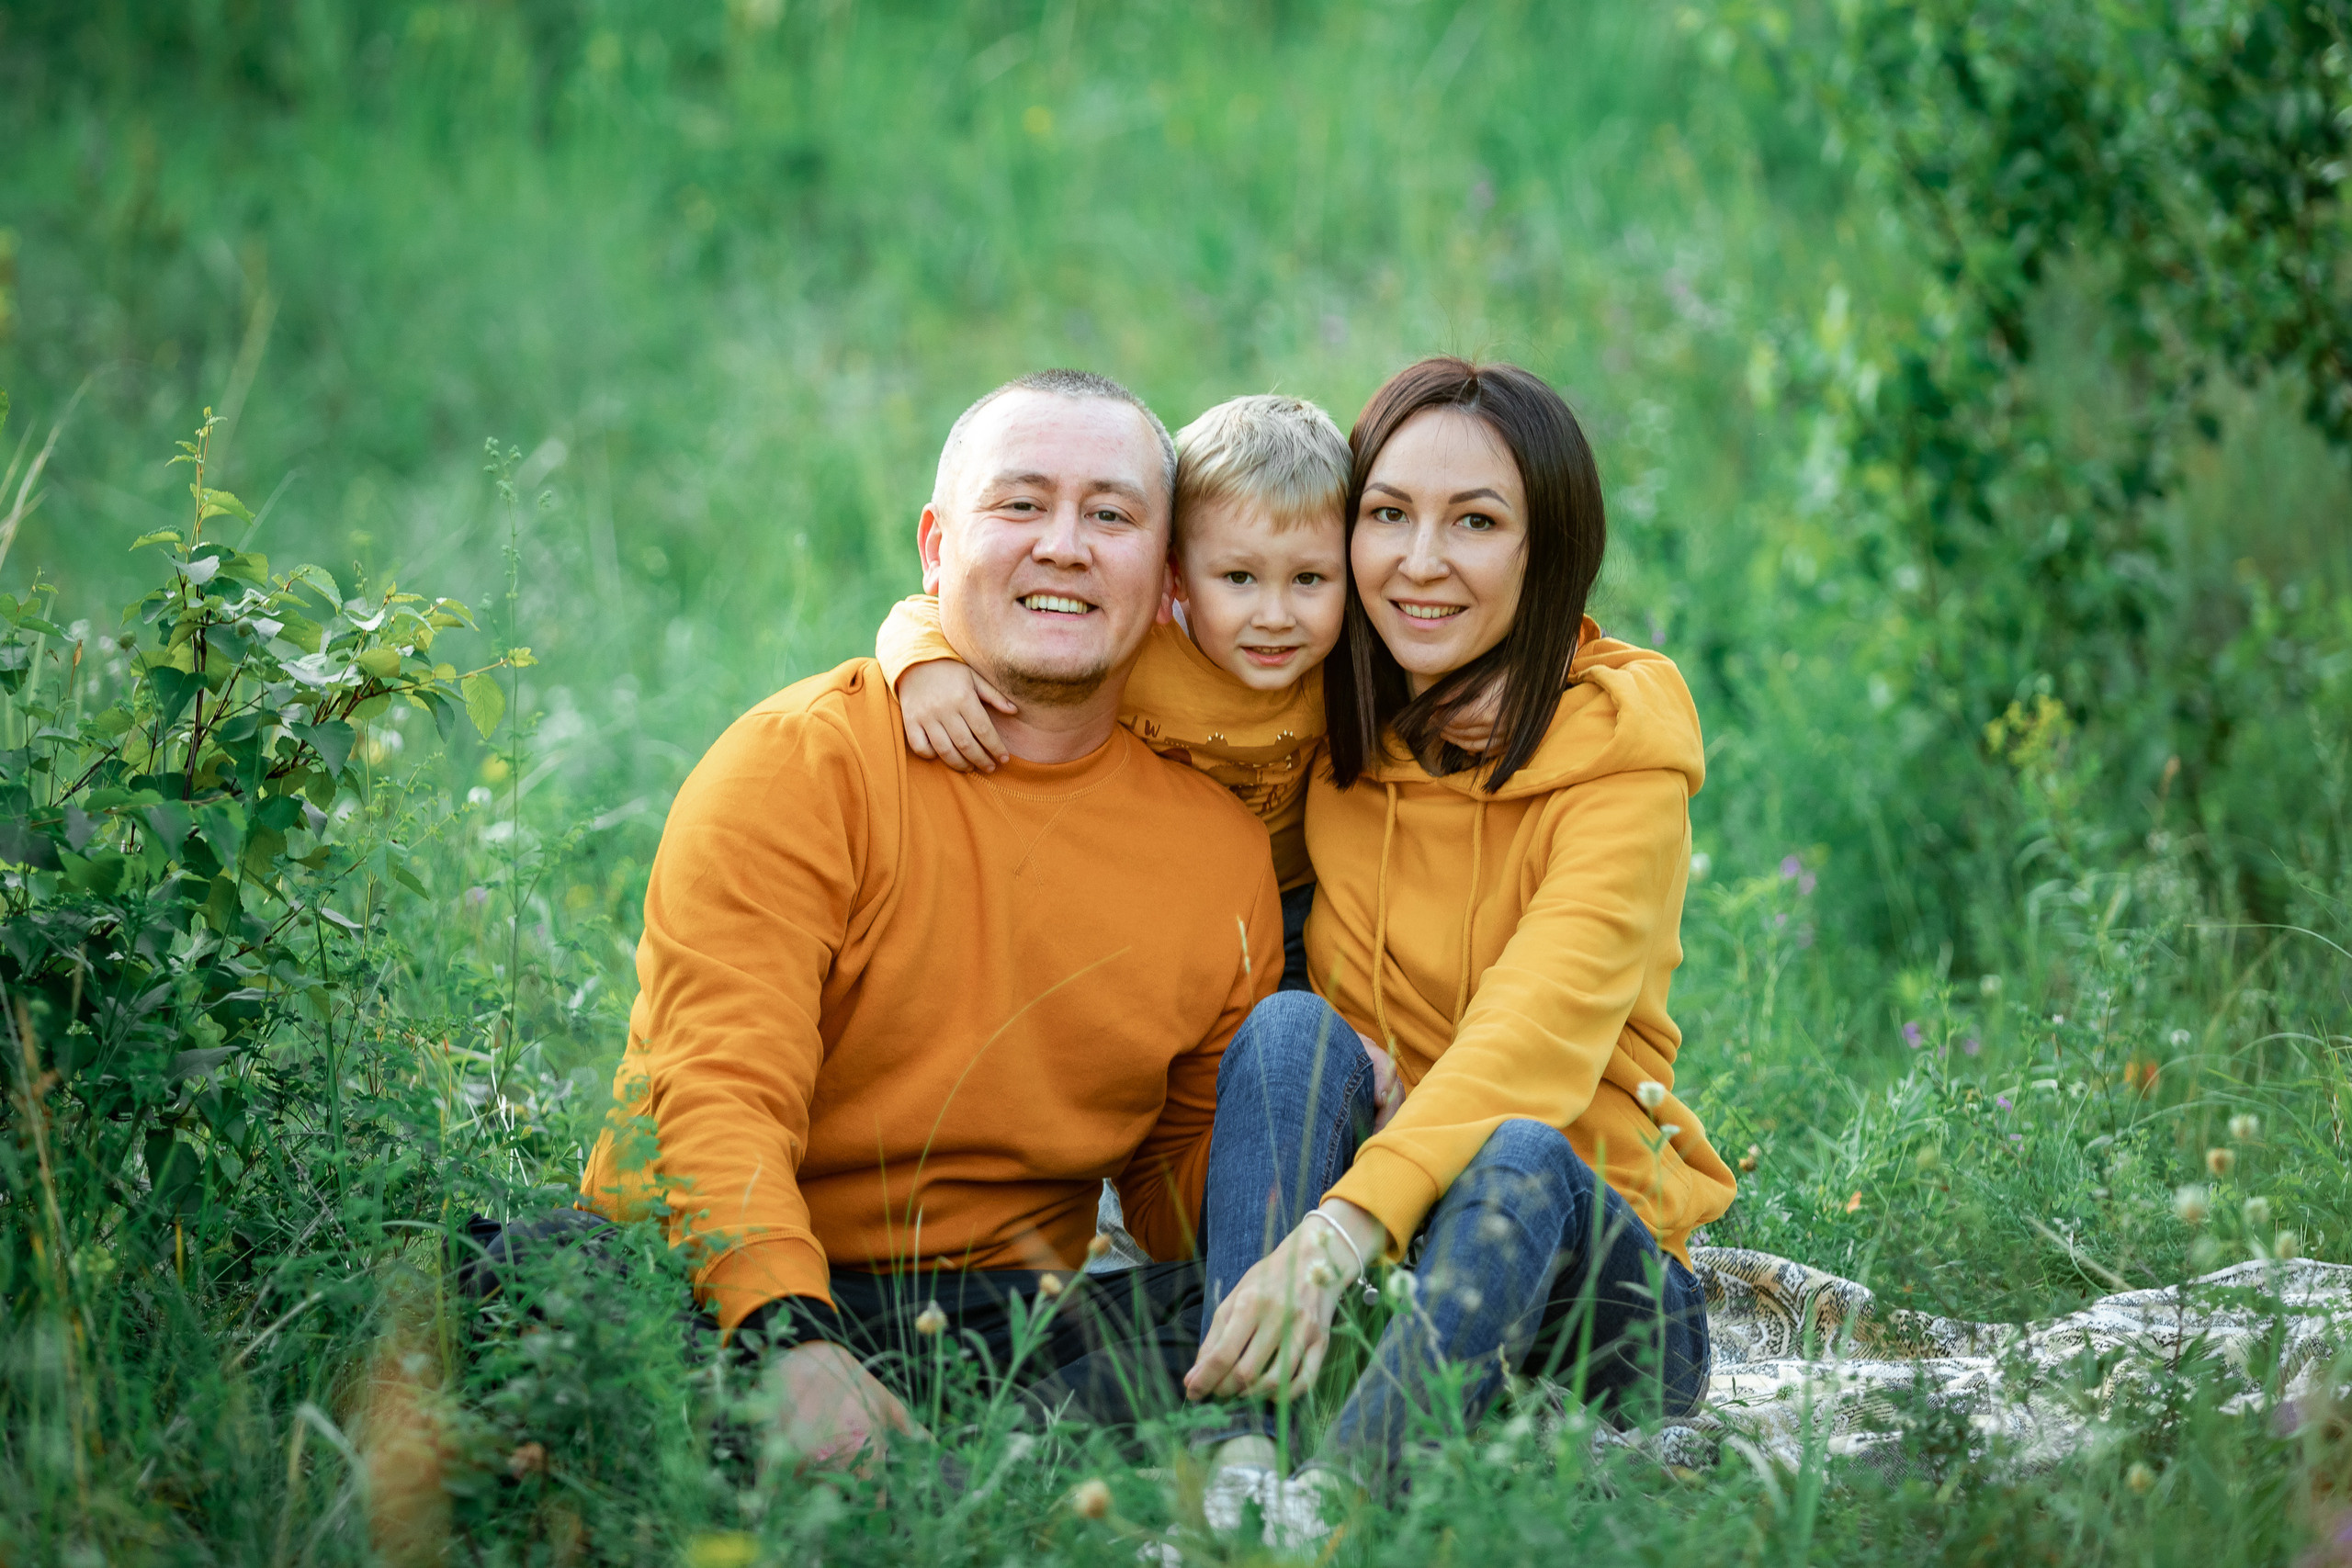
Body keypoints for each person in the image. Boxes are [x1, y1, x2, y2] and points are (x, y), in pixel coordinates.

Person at [572, 368, 1341, 1469]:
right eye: (1020, 505)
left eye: (1111, 515)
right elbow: (715, 1087)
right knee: (534, 1290)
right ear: (937, 548)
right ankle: (878, 1432)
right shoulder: (798, 765)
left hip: (998, 1316)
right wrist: (786, 1334)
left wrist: (1325, 1180)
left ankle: (968, 1450)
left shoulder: (1216, 849)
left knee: (1292, 1327)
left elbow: (1177, 1175)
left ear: (1167, 578)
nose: (1065, 546)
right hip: (716, 1283)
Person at [1182, 357, 1738, 1522]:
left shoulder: (1618, 766)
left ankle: (1338, 1511)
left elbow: (1533, 1040)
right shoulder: (1332, 708)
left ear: (1547, 553)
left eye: (1474, 522)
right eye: (1387, 516)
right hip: (1396, 1258)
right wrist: (920, 632)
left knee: (1525, 1149)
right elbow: (1096, 628)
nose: (1419, 562)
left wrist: (1336, 1232)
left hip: (1594, 1290)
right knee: (1288, 1029)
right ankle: (1238, 1464)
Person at [876, 392, 1496, 998]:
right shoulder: (1137, 643)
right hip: (1142, 888)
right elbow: (937, 610)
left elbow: (1457, 644)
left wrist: (1499, 687)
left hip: (1296, 901)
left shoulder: (1347, 658)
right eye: (1238, 578)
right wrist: (923, 663)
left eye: (1309, 578)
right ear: (1175, 576)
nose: (1276, 616)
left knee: (1296, 1031)